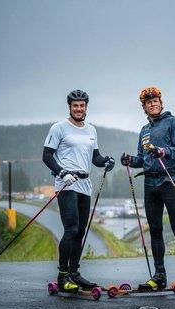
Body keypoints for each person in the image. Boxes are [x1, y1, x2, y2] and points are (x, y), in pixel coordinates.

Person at [43, 89, 115, 291]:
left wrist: (106, 161)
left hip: (85, 185)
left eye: (82, 105)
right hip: (66, 183)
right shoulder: (59, 128)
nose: (78, 108)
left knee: (81, 231)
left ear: (86, 107)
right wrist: (61, 171)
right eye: (75, 105)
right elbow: (47, 156)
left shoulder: (91, 130)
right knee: (71, 228)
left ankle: (74, 273)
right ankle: (62, 276)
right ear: (70, 107)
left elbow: (95, 158)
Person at [121, 87, 175, 290]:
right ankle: (159, 275)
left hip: (170, 180)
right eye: (148, 102)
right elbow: (142, 159)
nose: (153, 104)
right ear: (144, 107)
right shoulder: (144, 130)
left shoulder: (173, 122)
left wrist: (164, 151)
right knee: (155, 230)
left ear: (161, 103)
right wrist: (130, 160)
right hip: (149, 183)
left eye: (156, 101)